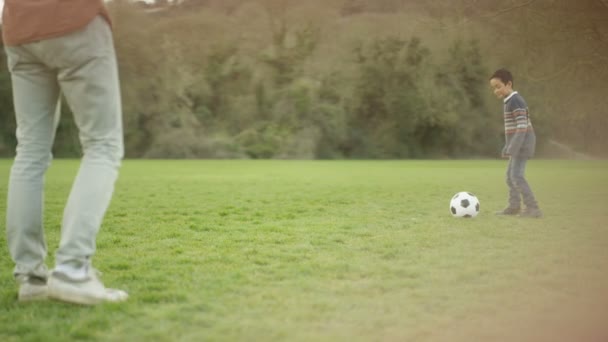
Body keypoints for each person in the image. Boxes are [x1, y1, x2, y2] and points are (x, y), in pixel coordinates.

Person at [3, 0, 128, 304]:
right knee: (103, 145)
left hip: (20, 27)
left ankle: (31, 278)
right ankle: (72, 269)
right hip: (74, 18)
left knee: (30, 151)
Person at [489, 68, 543, 218]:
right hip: (517, 145)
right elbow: (513, 129)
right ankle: (514, 206)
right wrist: (508, 146)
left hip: (523, 145)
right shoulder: (508, 101)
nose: (496, 91)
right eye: (493, 88)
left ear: (509, 84)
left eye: (498, 87)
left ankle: (533, 208)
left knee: (517, 176)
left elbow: (522, 126)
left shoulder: (516, 100)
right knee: (510, 176)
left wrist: (512, 147)